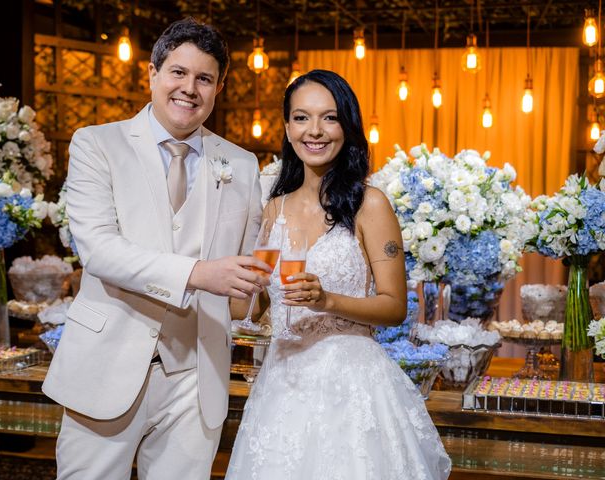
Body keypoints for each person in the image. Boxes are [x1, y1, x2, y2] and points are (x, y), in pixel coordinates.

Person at [42, 18, 271, 480]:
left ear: (218, 88)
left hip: (196, 375)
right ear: (152, 72)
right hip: (106, 366)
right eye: (178, 73)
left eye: (204, 79)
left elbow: (246, 277)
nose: (190, 88)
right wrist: (198, 274)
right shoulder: (97, 144)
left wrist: (270, 295)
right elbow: (101, 251)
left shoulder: (241, 164)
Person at [226, 70, 452, 479]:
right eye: (301, 118)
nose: (315, 131)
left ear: (347, 126)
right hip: (282, 384)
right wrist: (241, 284)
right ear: (287, 126)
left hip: (351, 387)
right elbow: (252, 306)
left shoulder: (371, 204)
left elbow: (394, 306)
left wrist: (326, 300)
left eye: (329, 118)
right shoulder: (274, 208)